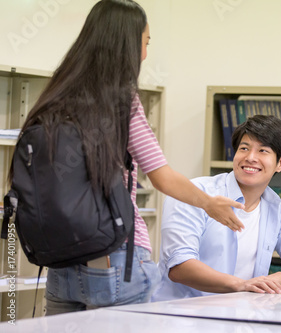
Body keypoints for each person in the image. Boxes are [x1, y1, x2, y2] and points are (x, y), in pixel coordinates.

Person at [13, 0, 244, 315]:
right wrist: (209, 203)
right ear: (127, 43)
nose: (145, 54)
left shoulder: (55, 97)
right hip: (116, 261)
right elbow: (161, 176)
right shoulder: (121, 102)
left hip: (60, 263)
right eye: (144, 43)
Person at [152, 115, 281, 301]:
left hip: (237, 314)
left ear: (280, 163)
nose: (250, 158)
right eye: (244, 148)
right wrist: (240, 285)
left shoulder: (276, 209)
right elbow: (179, 267)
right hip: (176, 315)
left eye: (263, 151)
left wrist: (264, 282)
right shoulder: (194, 194)